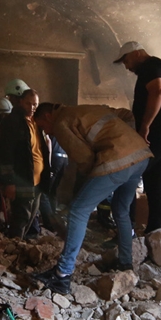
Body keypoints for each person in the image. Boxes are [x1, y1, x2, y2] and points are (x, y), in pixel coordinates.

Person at [30, 103, 152, 294]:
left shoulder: (61, 122)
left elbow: (84, 157)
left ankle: (62, 275)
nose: (47, 132)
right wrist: (130, 137)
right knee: (121, 210)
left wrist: (89, 182)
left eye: (43, 127)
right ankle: (125, 263)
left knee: (78, 210)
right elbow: (126, 113)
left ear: (47, 116)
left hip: (118, 159)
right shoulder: (84, 109)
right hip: (141, 156)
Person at [115, 41, 161, 234]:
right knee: (155, 185)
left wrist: (145, 126)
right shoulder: (158, 66)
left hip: (154, 136)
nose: (127, 66)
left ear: (136, 54)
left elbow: (157, 91)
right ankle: (153, 233)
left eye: (126, 60)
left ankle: (127, 230)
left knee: (128, 177)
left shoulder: (150, 66)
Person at [0, 87, 46, 238]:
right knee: (21, 216)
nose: (32, 107)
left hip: (37, 180)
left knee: (32, 215)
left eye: (35, 104)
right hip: (22, 178)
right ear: (20, 102)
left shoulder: (36, 122)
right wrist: (9, 182)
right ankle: (14, 245)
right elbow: (6, 154)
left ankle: (21, 244)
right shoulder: (12, 122)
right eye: (28, 103)